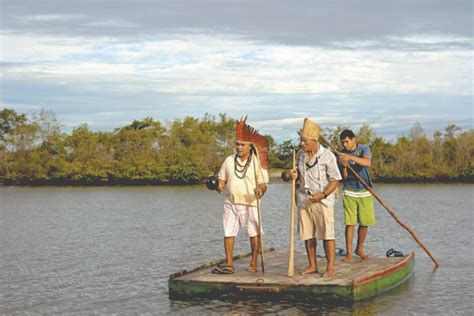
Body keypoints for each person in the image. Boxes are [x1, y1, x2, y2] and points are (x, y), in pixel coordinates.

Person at [212, 116, 269, 274]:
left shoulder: (257, 162)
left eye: (242, 145)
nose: (239, 147)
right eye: (237, 144)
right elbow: (222, 180)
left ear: (250, 146)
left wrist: (260, 190)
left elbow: (264, 183)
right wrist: (218, 186)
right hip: (231, 202)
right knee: (228, 231)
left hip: (250, 203)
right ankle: (229, 263)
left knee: (253, 233)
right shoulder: (229, 161)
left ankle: (254, 263)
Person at [287, 118, 342, 277]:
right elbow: (295, 176)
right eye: (301, 140)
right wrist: (290, 175)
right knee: (308, 234)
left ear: (313, 141)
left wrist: (323, 194)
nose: (302, 144)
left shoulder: (328, 156)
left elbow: (336, 180)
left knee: (327, 234)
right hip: (304, 200)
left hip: (323, 201)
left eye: (304, 141)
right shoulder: (300, 155)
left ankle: (330, 267)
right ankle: (312, 265)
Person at [338, 129, 375, 262]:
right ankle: (348, 254)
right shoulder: (341, 155)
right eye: (343, 143)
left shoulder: (363, 149)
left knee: (365, 222)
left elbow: (367, 163)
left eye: (347, 142)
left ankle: (359, 248)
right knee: (350, 223)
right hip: (349, 190)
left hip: (365, 189)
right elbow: (344, 177)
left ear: (353, 140)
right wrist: (344, 167)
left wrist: (351, 158)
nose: (345, 145)